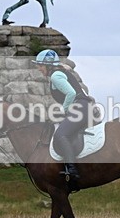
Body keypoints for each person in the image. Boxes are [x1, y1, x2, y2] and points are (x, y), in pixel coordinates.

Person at [32, 49, 93, 182]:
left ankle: (72, 170)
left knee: (60, 135)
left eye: (40, 65)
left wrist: (63, 111)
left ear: (48, 65)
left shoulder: (56, 76)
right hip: (82, 107)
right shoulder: (61, 72)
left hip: (80, 108)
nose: (38, 68)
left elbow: (71, 93)